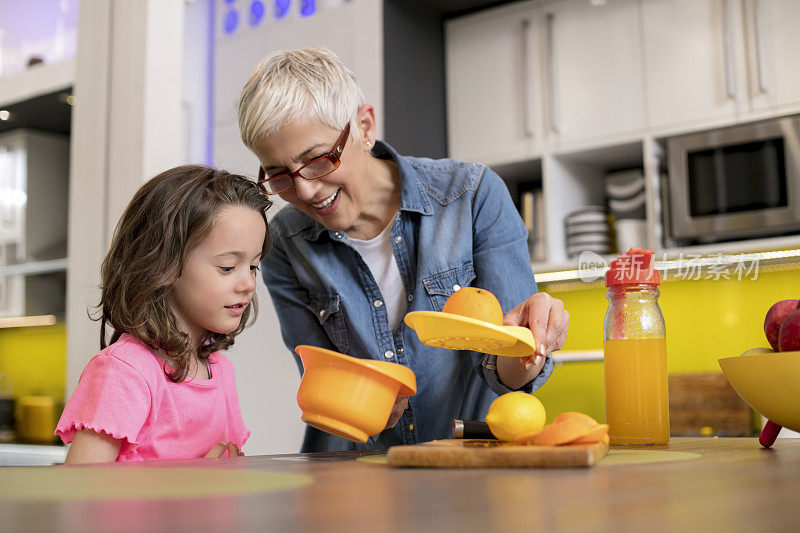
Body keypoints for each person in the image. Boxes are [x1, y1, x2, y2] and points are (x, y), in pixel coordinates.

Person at [238, 47, 569, 452]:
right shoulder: (285, 243)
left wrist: (529, 345)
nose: (305, 190)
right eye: (279, 175)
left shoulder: (472, 196)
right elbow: (323, 380)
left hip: (470, 471)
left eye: (319, 159)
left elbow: (510, 375)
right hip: (358, 476)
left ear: (364, 126)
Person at [55, 165, 272, 463]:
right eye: (227, 267)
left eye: (253, 266)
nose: (248, 284)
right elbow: (79, 496)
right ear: (164, 263)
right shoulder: (125, 372)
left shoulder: (220, 371)